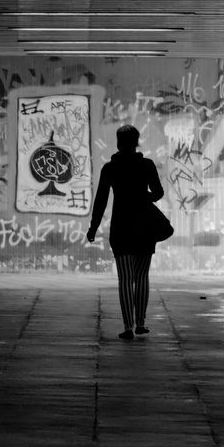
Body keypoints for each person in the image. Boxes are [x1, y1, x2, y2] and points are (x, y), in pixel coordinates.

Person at [86, 124, 165, 340]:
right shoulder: (147, 165)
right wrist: (143, 199)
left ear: (119, 143)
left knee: (125, 278)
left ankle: (128, 327)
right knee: (141, 276)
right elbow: (159, 192)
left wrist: (93, 227)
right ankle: (140, 323)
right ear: (137, 142)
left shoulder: (110, 168)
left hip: (121, 228)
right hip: (144, 226)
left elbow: (101, 200)